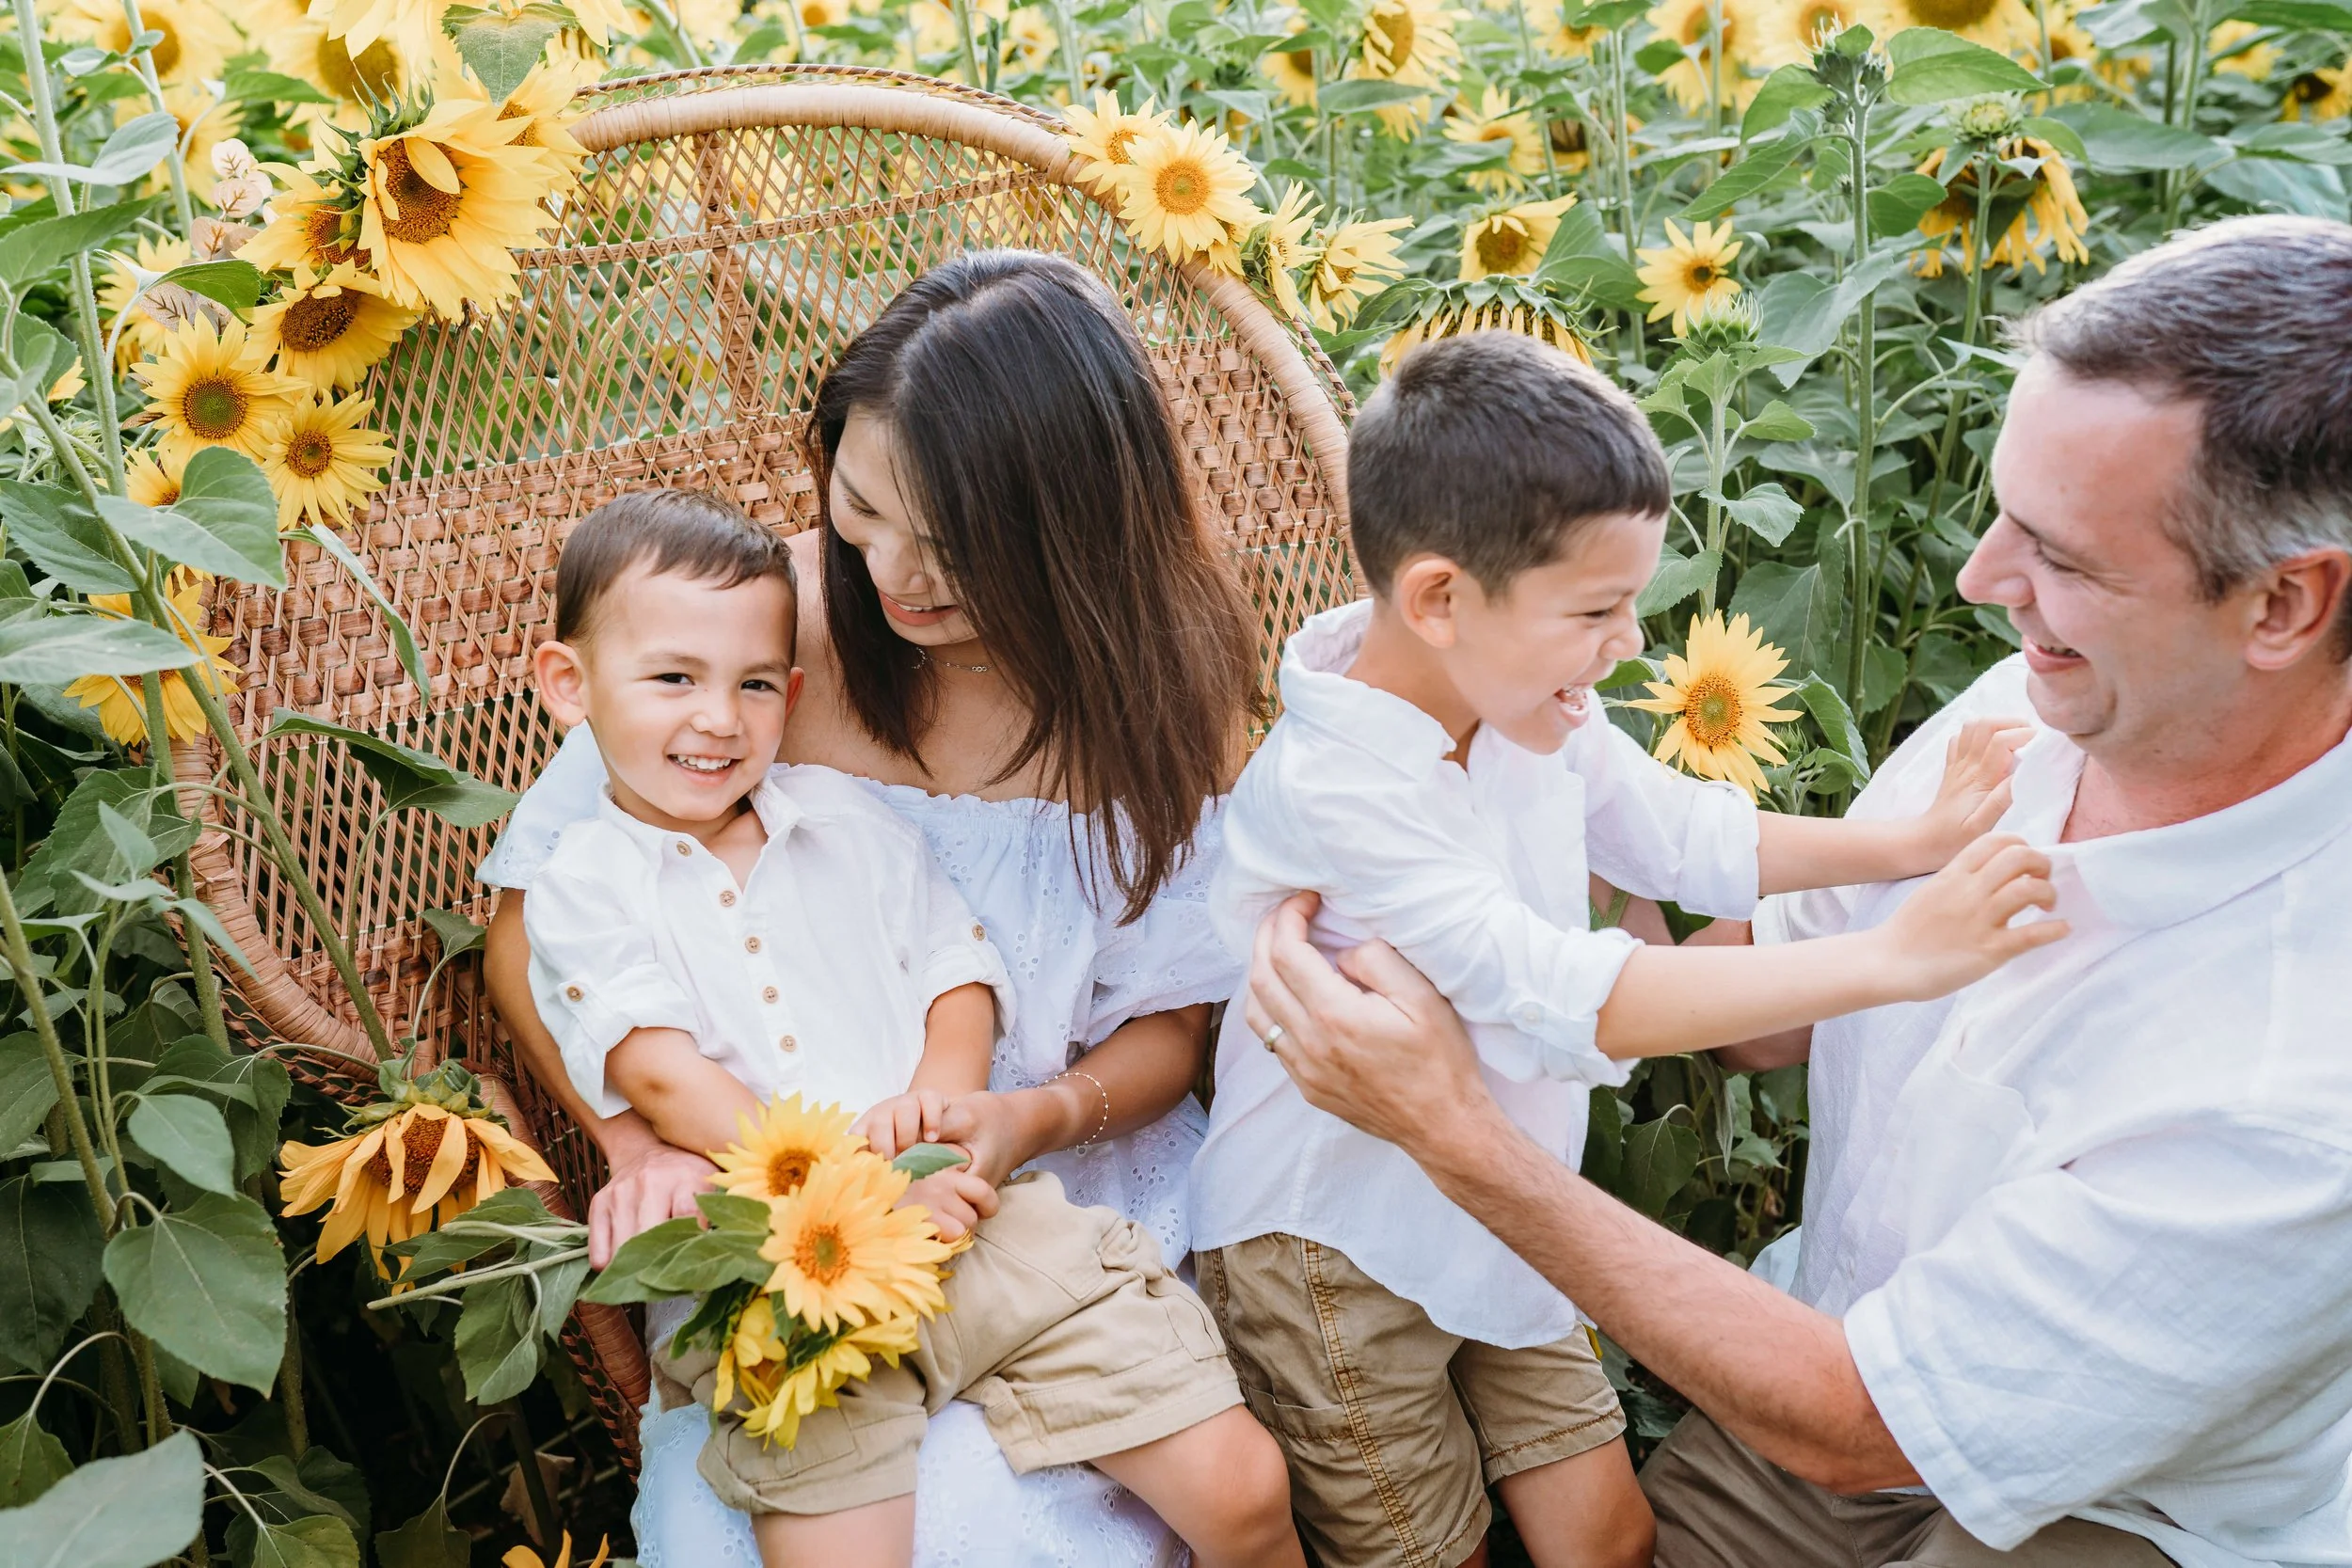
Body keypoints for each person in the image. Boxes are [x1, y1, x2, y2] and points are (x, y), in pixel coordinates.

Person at [1238, 214, 2352, 1567]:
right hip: (1781, 1367)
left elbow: (1863, 1421)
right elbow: (1752, 974)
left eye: (2063, 556)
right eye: (2003, 508)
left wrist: (1457, 1124)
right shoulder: (2060, 697)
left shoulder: (2304, 1073)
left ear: (2286, 606)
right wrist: (1594, 851)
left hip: (2102, 1508)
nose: (1979, 579)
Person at [1189, 333, 2061, 1568]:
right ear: (1440, 598)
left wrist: (1903, 843)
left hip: (1503, 1203)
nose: (1633, 646)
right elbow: (1563, 996)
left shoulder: (1525, 702)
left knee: (1608, 1532)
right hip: (1334, 1245)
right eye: (1598, 609)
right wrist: (1894, 958)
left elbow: (1681, 835)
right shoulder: (1340, 786)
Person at [480, 250, 1291, 1568]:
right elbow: (531, 923)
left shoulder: (1159, 685)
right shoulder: (756, 635)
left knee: (1111, 1508)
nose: (899, 572)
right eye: (863, 504)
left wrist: (1027, 1115)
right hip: (785, 1205)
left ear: (1075, 531)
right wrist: (637, 1144)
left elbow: (1169, 1027)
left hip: (1051, 1203)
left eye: (958, 542)